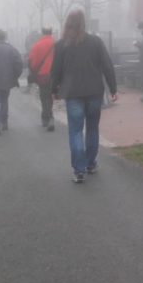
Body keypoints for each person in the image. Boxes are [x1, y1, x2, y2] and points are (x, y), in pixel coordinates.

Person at [51, 10, 117, 183]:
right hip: (94, 91)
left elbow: (55, 71)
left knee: (75, 131)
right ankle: (91, 164)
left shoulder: (61, 45)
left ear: (68, 23)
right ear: (84, 23)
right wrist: (113, 88)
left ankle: (79, 170)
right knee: (93, 128)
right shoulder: (96, 42)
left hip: (72, 93)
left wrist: (53, 90)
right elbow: (107, 66)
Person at [28, 27, 55, 131]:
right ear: (51, 33)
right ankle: (48, 117)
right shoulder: (56, 44)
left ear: (42, 33)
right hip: (53, 75)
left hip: (42, 75)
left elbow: (32, 61)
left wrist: (35, 71)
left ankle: (47, 118)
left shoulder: (37, 45)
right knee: (50, 96)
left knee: (44, 97)